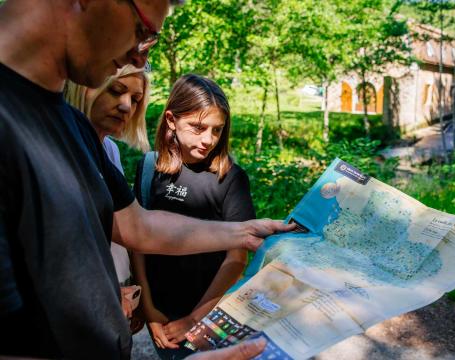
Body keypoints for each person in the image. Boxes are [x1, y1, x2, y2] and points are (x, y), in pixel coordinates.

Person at [0, 0, 293, 358]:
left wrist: (245, 233)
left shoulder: (72, 124)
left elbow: (138, 227)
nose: (138, 59)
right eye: (142, 31)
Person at [133, 74, 255, 359]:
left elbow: (236, 260)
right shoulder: (150, 168)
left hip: (208, 319)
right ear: (172, 120)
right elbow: (137, 241)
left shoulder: (231, 179)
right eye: (198, 127)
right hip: (160, 314)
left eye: (217, 130)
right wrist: (148, 308)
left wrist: (194, 319)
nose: (208, 139)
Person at [64, 64, 151, 322]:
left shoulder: (110, 150)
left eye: (136, 100)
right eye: (115, 91)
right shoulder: (64, 149)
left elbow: (132, 227)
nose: (126, 106)